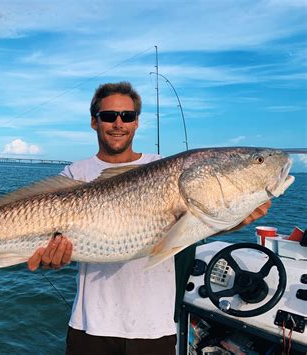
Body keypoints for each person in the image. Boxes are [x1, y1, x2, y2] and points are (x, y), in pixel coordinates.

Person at [27, 82, 271, 355]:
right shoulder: (76, 174)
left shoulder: (163, 167)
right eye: (109, 116)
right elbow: (54, 249)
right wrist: (51, 259)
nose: (118, 123)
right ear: (94, 122)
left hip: (154, 329)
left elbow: (186, 229)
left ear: (136, 123)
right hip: (89, 326)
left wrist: (234, 220)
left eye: (127, 116)